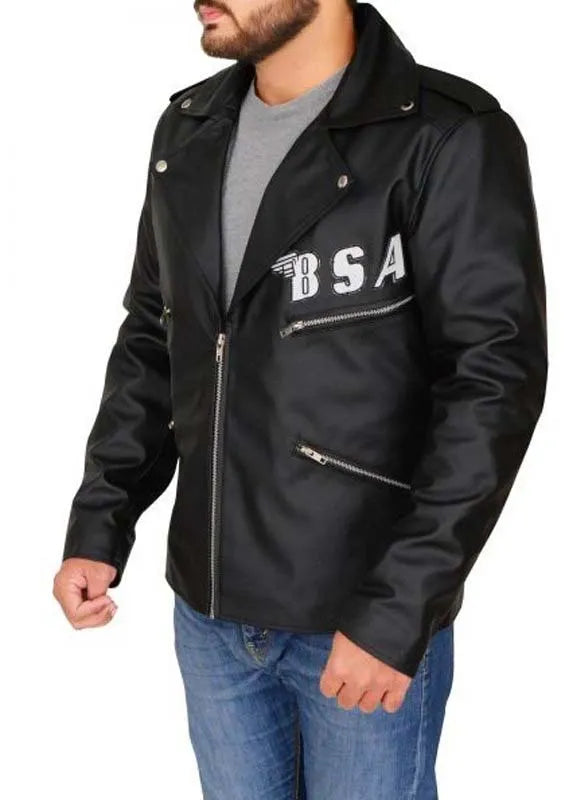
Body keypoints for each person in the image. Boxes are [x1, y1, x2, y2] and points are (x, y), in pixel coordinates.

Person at [53, 1, 547, 797]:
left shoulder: (447, 134)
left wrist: (398, 611)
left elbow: (493, 386)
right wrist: (100, 523)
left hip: (358, 613)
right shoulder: (189, 128)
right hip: (211, 614)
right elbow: (153, 336)